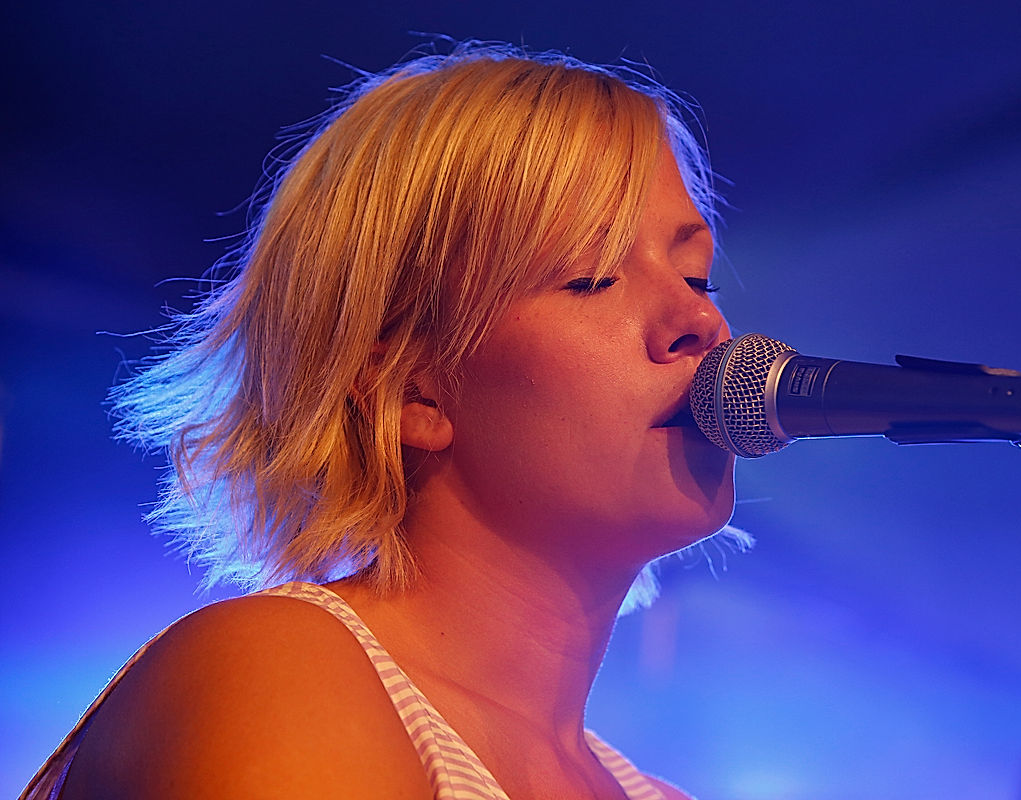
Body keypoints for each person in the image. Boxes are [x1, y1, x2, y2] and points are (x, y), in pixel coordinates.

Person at [22, 40, 744, 799]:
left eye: (697, 274)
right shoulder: (280, 665)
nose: (700, 316)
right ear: (411, 389)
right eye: (591, 277)